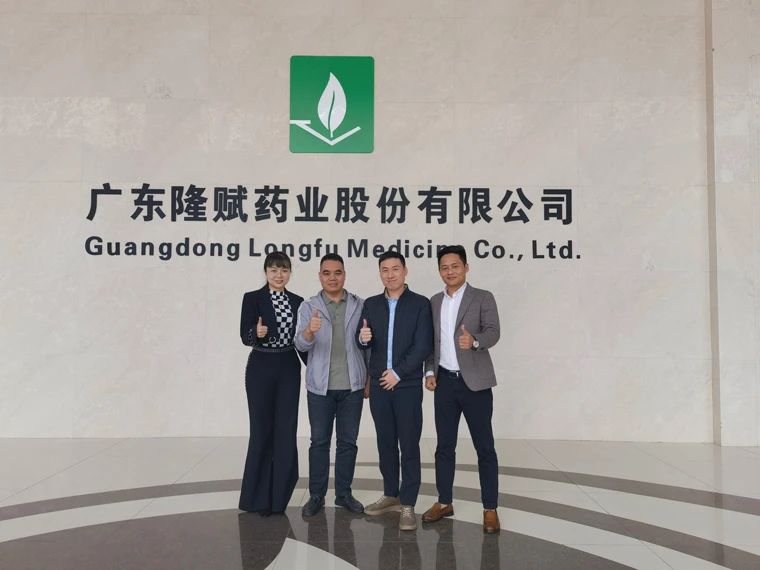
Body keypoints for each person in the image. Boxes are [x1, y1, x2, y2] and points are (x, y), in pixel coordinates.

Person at [421, 245, 502, 533]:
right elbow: (431, 342)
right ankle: (444, 502)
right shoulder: (434, 302)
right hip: (444, 383)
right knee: (444, 446)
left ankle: (490, 508)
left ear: (466, 267)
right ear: (439, 271)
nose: (450, 271)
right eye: (444, 267)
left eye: (455, 266)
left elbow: (494, 332)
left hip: (475, 384)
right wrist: (430, 371)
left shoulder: (483, 297)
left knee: (484, 447)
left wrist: (475, 341)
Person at [356, 251, 433, 531]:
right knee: (385, 442)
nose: (390, 274)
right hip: (379, 385)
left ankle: (408, 503)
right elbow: (363, 341)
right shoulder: (371, 304)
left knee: (409, 444)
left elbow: (423, 345)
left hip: (407, 385)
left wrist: (398, 373)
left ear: (405, 271)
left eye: (395, 269)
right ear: (380, 273)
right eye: (385, 270)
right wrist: (362, 338)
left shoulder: (420, 304)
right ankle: (391, 494)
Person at [295, 253, 369, 517]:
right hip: (320, 388)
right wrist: (309, 331)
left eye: (337, 272)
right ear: (320, 276)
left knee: (348, 442)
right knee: (319, 442)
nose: (332, 278)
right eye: (326, 273)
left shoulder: (360, 305)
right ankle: (316, 495)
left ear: (344, 275)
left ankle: (344, 494)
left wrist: (368, 378)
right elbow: (300, 344)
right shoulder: (308, 307)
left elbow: (368, 346)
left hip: (352, 386)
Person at [238, 251, 306, 516]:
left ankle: (279, 498)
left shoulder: (298, 301)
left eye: (284, 270)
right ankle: (257, 498)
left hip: (288, 365)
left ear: (290, 273)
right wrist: (256, 333)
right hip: (261, 366)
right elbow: (244, 335)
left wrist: (317, 369)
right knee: (261, 430)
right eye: (274, 270)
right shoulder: (252, 298)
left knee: (286, 430)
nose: (279, 275)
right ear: (266, 272)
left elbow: (302, 340)